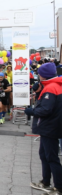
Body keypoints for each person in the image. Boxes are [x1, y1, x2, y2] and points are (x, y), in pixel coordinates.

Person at [28, 63, 62, 194]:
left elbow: (45, 110)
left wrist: (30, 111)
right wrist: (38, 92)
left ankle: (58, 187)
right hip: (51, 126)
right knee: (43, 155)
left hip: (51, 127)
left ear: (42, 75)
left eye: (39, 73)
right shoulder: (54, 85)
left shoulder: (51, 88)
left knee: (52, 157)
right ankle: (45, 182)